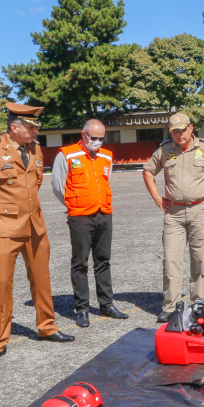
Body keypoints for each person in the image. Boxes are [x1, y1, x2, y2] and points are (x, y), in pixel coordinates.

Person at [0, 102, 75, 367]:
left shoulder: (35, 149)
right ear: (15, 128)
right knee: (2, 283)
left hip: (34, 225)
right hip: (4, 228)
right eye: (31, 128)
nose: (35, 133)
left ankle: (47, 327)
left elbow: (34, 184)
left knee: (41, 278)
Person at [143, 112, 204, 323]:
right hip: (174, 213)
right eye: (175, 131)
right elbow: (148, 171)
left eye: (182, 130)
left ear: (191, 128)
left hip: (200, 210)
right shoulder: (165, 150)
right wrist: (158, 198)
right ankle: (170, 307)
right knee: (171, 262)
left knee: (200, 260)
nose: (179, 135)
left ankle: (198, 304)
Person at [51, 119, 129, 328]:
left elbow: (106, 180)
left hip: (104, 213)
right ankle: (82, 309)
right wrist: (75, 205)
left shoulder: (106, 156)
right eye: (93, 138)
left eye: (101, 138)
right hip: (80, 216)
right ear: (83, 135)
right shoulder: (66, 154)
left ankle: (106, 304)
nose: (97, 142)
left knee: (103, 260)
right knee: (80, 263)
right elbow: (58, 187)